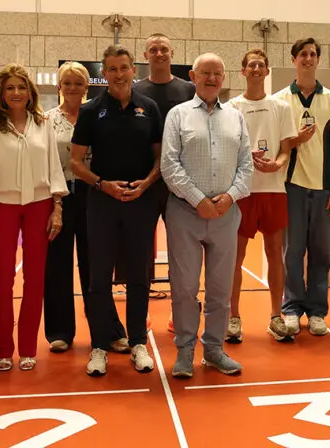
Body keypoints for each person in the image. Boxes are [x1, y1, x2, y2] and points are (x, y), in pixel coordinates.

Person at [71, 45, 162, 376]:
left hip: (140, 203)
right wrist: (102, 184)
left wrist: (146, 184)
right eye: (112, 69)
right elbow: (75, 162)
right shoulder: (91, 111)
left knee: (139, 276)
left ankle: (138, 342)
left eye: (124, 67)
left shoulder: (149, 108)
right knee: (98, 277)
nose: (119, 74)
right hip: (102, 203)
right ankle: (99, 345)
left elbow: (160, 158)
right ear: (104, 73)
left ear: (133, 70)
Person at [0, 63, 68, 372]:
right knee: (2, 278)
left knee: (35, 278)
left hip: (40, 204)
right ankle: (3, 349)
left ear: (30, 92)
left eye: (21, 87)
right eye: (10, 87)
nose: (16, 92)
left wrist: (57, 206)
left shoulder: (43, 123)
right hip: (2, 204)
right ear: (2, 93)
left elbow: (54, 166)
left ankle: (27, 348)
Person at [162, 53, 253, 377]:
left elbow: (246, 165)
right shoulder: (178, 115)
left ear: (224, 78)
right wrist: (198, 199)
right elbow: (169, 165)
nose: (212, 78)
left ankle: (214, 349)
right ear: (193, 76)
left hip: (226, 214)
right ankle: (185, 350)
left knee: (220, 288)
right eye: (205, 73)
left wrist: (230, 197)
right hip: (185, 212)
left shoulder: (236, 118)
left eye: (217, 73)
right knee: (185, 287)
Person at [42, 61, 126, 352]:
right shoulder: (46, 120)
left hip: (94, 194)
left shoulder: (97, 116)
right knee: (57, 265)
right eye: (67, 83)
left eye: (78, 83)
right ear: (59, 86)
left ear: (87, 87)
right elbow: (46, 163)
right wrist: (55, 202)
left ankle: (108, 330)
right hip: (59, 197)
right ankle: (60, 331)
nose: (72, 88)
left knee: (97, 265)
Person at [274, 37, 330, 337]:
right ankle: (292, 308)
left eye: (313, 54)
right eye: (303, 54)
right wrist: (296, 140)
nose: (308, 59)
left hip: (323, 189)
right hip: (290, 187)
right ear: (293, 59)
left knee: (321, 253)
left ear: (318, 59)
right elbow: (278, 144)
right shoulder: (280, 100)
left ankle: (317, 311)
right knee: (292, 252)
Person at [226, 49, 297, 343]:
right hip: (241, 191)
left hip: (273, 189)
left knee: (275, 253)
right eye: (251, 65)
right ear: (243, 71)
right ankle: (233, 317)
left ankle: (276, 316)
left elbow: (287, 149)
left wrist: (277, 164)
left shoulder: (280, 107)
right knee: (236, 256)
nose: (256, 69)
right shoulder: (230, 107)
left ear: (267, 71)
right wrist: (245, 158)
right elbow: (227, 148)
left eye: (261, 65)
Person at [133, 33, 197, 334]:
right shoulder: (135, 90)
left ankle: (179, 310)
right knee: (141, 249)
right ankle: (140, 310)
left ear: (172, 53)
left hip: (179, 184)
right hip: (145, 182)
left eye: (163, 49)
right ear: (145, 55)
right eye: (153, 49)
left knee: (182, 252)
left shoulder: (188, 90)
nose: (159, 54)